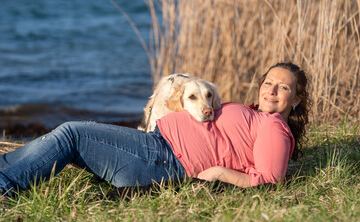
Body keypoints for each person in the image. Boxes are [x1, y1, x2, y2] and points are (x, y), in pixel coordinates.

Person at [0, 62, 311, 199]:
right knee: (74, 137)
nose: (272, 90)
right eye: (269, 82)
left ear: (296, 99)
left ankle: (4, 183)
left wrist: (218, 173)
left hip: (162, 160)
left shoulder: (274, 127)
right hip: (155, 148)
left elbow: (269, 181)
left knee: (72, 134)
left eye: (283, 87)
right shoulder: (256, 116)